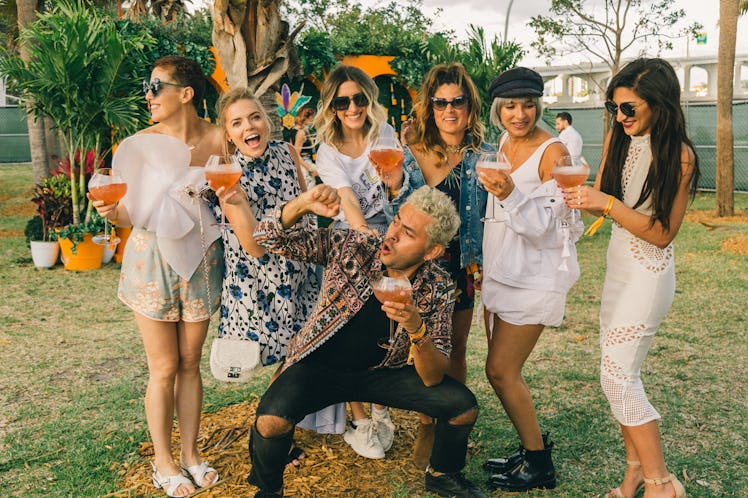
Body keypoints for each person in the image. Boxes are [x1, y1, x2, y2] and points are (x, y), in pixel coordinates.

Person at [218, 183, 486, 498]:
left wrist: (416, 327)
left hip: (384, 374)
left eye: (408, 232)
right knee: (270, 422)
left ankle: (443, 474)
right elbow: (267, 238)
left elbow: (432, 377)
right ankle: (268, 489)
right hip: (319, 367)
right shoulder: (355, 246)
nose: (393, 233)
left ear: (432, 251)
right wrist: (303, 204)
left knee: (462, 408)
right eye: (396, 220)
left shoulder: (437, 285)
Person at [561, 58, 697, 498]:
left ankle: (662, 484)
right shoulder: (620, 139)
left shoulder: (679, 156)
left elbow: (661, 234)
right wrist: (573, 198)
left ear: (659, 104)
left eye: (629, 109)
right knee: (617, 374)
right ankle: (634, 474)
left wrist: (604, 204)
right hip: (619, 270)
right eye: (614, 108)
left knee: (617, 376)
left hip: (649, 275)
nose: (619, 117)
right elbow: (599, 199)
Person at [89, 55, 224, 497]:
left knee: (191, 363)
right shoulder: (137, 144)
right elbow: (131, 213)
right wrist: (112, 212)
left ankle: (190, 454)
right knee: (163, 366)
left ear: (185, 93)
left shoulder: (220, 139)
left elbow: (235, 193)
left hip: (203, 259)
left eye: (155, 86)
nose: (147, 95)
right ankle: (163, 462)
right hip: (151, 261)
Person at [211, 88, 344, 458]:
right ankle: (267, 440)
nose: (248, 126)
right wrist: (300, 204)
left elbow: (306, 204)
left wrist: (316, 207)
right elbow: (255, 245)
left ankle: (274, 434)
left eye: (254, 117)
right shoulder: (227, 176)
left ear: (266, 121)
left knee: (295, 358)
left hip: (298, 273)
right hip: (260, 283)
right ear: (228, 133)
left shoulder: (287, 153)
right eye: (237, 122)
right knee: (281, 363)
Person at [477, 66, 583, 492]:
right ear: (498, 109)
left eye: (527, 105)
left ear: (539, 105)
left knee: (502, 370)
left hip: (535, 277)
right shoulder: (503, 142)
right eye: (510, 106)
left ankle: (540, 464)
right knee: (500, 369)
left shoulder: (554, 154)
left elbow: (547, 227)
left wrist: (508, 193)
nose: (519, 114)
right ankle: (530, 447)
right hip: (503, 271)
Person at [384, 62, 491, 468]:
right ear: (430, 107)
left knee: (456, 349)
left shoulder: (483, 157)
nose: (450, 110)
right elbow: (401, 215)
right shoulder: (408, 154)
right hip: (419, 271)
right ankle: (426, 422)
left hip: (460, 268)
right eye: (440, 102)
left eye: (457, 101)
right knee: (419, 348)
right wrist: (393, 185)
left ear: (469, 106)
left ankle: (450, 424)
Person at [312, 64, 398, 458]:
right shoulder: (327, 150)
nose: (352, 107)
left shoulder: (384, 133)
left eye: (359, 99)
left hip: (389, 232)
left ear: (369, 99)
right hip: (351, 237)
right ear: (331, 106)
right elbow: (346, 198)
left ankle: (382, 410)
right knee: (348, 326)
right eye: (342, 101)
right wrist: (366, 240)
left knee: (386, 324)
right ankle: (360, 419)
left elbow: (396, 182)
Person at [289, 104, 319, 189]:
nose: (313, 120)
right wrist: (309, 168)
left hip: (300, 166)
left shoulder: (293, 131)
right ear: (309, 118)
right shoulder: (301, 133)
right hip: (304, 166)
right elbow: (296, 154)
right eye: (313, 117)